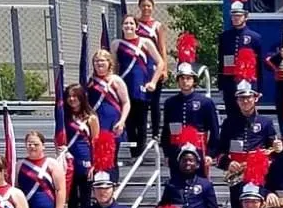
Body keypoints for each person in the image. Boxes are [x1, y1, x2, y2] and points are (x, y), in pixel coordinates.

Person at [217, 80, 283, 208]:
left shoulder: (266, 123)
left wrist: (279, 149)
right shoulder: (229, 123)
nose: (245, 101)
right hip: (237, 175)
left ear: (255, 99)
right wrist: (228, 163)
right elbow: (219, 151)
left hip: (259, 175)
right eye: (241, 98)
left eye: (248, 97)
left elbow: (274, 152)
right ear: (237, 101)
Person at [115, 15, 169, 155]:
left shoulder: (145, 42)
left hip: (140, 87)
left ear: (137, 27)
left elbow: (160, 62)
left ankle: (141, 152)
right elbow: (112, 66)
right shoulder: (117, 44)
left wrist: (153, 81)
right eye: (126, 24)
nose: (128, 26)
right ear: (122, 26)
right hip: (124, 86)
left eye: (131, 24)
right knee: (129, 122)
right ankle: (134, 153)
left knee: (141, 121)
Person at [164, 59, 220, 166]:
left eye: (188, 78)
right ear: (178, 81)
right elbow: (166, 131)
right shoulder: (170, 103)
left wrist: (210, 153)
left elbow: (214, 130)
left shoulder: (205, 102)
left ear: (194, 80)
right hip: (176, 148)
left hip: (199, 148)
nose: (185, 81)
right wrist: (167, 154)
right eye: (182, 78)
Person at [217, 0, 265, 106]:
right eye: (234, 15)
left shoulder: (255, 37)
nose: (236, 18)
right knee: (231, 114)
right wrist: (221, 85)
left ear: (246, 17)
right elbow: (221, 61)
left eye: (239, 15)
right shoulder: (224, 37)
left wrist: (259, 88)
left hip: (248, 82)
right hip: (229, 82)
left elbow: (259, 66)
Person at [86, 49, 131, 159]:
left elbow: (126, 102)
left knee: (110, 156)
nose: (99, 63)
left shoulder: (116, 80)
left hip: (112, 122)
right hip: (95, 120)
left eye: (102, 60)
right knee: (95, 154)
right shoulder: (90, 80)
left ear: (109, 62)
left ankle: (112, 176)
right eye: (96, 61)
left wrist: (122, 121)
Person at [60, 86, 99, 208]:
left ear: (81, 97)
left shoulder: (91, 118)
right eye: (69, 96)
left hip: (84, 160)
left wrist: (94, 165)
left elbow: (96, 142)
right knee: (71, 198)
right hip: (69, 160)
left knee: (85, 198)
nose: (71, 99)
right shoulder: (63, 117)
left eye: (75, 96)